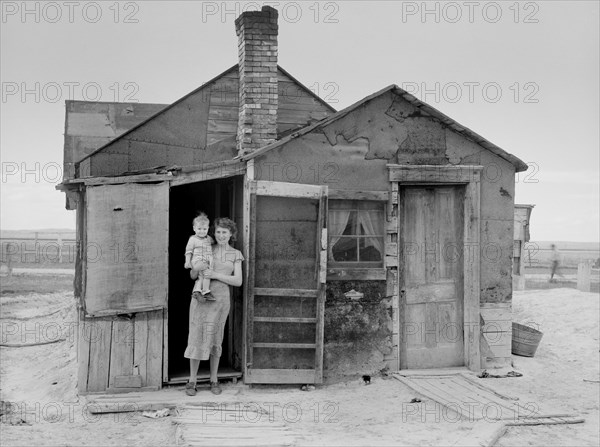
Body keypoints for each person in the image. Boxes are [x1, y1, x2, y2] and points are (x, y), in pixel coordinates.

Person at [184, 217, 244, 396]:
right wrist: (195, 268)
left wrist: (215, 274)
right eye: (218, 231)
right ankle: (192, 381)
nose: (221, 235)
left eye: (225, 232)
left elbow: (238, 281)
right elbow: (193, 276)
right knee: (196, 335)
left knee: (215, 337)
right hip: (201, 297)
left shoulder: (236, 254)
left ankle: (213, 379)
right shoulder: (205, 246)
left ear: (231, 234)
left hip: (220, 300)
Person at [184, 213, 214, 300]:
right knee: (204, 275)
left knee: (204, 276)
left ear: (208, 228)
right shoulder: (193, 239)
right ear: (194, 228)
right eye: (199, 229)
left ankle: (200, 291)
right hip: (197, 261)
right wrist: (187, 261)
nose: (202, 231)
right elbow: (188, 251)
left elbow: (213, 242)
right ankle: (203, 291)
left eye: (204, 229)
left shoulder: (208, 238)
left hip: (206, 261)